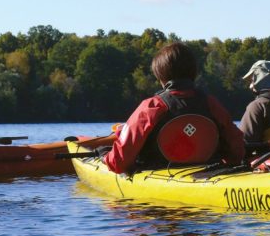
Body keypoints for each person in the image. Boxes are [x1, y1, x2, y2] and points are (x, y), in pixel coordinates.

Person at [104, 42, 245, 174]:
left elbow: (118, 163)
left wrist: (104, 157)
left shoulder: (152, 106)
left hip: (160, 175)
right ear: (193, 72)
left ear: (160, 77)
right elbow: (237, 151)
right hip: (209, 173)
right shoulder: (211, 103)